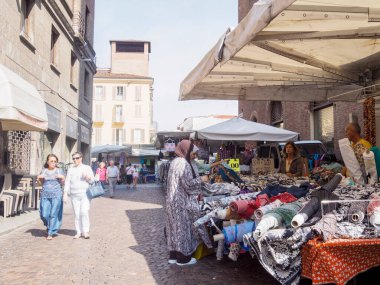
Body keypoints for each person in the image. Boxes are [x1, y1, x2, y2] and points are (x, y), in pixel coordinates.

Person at [166, 140, 210, 266]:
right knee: (183, 229)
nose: (195, 156)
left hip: (173, 202)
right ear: (186, 150)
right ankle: (183, 259)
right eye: (193, 153)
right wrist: (201, 179)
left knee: (174, 229)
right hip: (181, 202)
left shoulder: (176, 161)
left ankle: (173, 256)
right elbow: (189, 185)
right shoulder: (182, 163)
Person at [63, 152, 94, 239]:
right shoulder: (70, 169)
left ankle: (86, 231)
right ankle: (78, 231)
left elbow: (92, 181)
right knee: (77, 214)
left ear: (81, 158)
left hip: (85, 194)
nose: (75, 160)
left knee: (84, 212)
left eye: (77, 158)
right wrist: (65, 194)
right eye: (73, 158)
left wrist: (87, 178)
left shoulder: (87, 168)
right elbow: (67, 182)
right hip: (74, 194)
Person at [37, 154, 65, 240]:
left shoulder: (59, 171)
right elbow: (40, 184)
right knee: (44, 214)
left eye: (55, 161)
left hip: (56, 195)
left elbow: (63, 183)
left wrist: (62, 178)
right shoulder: (44, 171)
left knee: (53, 214)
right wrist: (38, 179)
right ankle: (49, 226)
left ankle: (50, 232)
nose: (53, 163)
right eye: (51, 161)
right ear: (47, 162)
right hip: (45, 195)